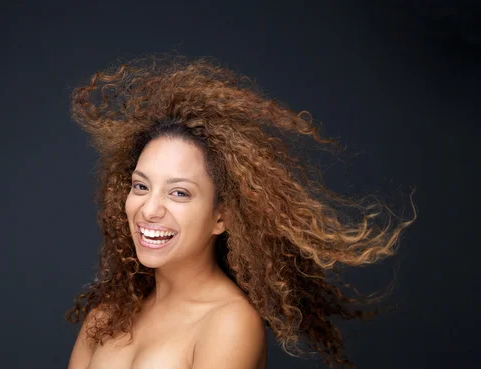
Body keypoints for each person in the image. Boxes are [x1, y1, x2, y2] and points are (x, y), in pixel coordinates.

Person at [64, 55, 416, 369]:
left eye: (180, 193)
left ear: (222, 216)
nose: (149, 209)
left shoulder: (229, 323)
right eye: (141, 186)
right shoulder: (108, 313)